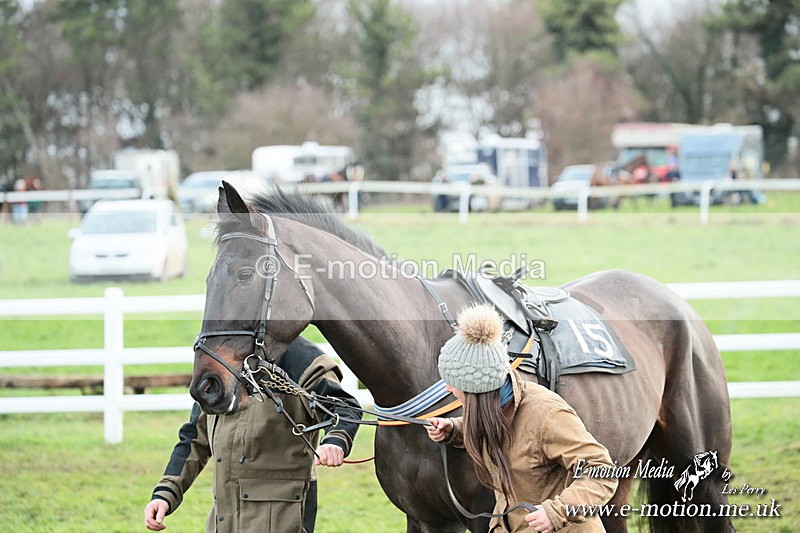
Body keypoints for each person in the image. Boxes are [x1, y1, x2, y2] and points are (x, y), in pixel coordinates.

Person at [426, 305, 618, 532]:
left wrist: (558, 511)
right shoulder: (496, 405)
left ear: (476, 389)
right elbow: (501, 429)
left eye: (453, 382)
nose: (448, 388)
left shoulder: (547, 414)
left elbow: (603, 471)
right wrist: (454, 430)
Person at [144, 337, 362, 533]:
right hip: (223, 522)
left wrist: (336, 441)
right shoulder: (217, 357)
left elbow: (343, 408)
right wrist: (166, 494)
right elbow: (194, 438)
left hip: (284, 519)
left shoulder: (298, 356)